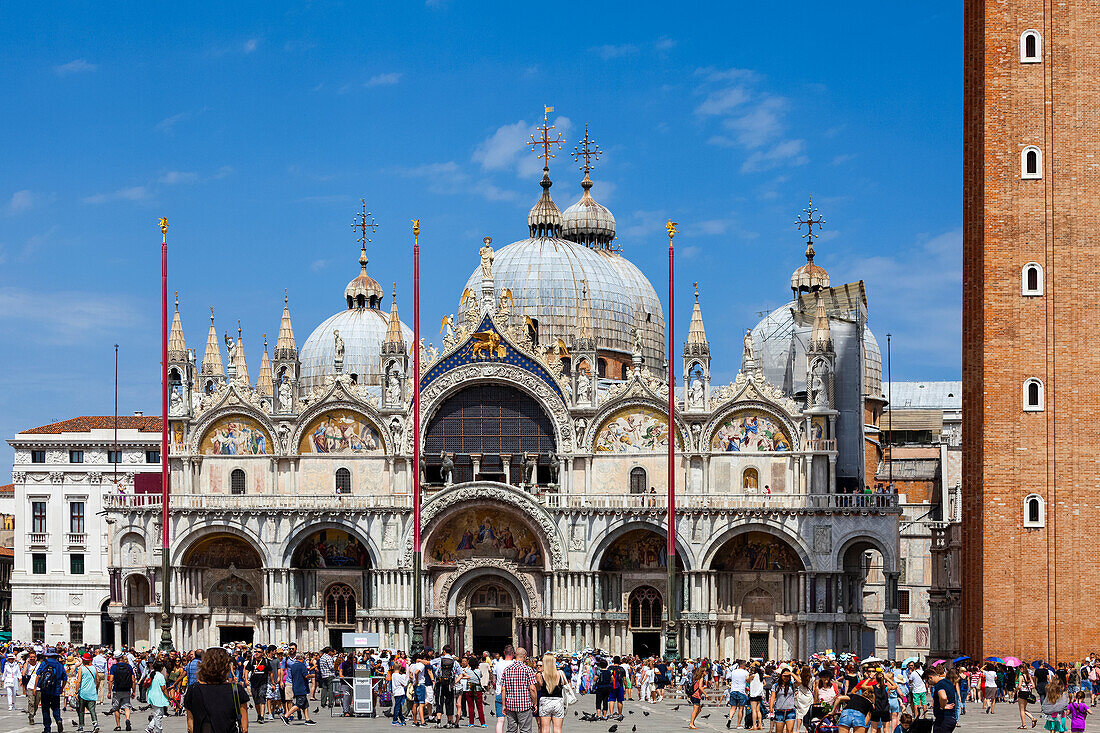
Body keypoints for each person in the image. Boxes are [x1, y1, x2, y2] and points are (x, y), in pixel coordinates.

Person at [183, 647, 250, 733]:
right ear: (226, 666)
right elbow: (244, 729)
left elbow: (190, 727)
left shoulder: (193, 689)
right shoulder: (236, 689)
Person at [499, 648, 537, 733]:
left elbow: (503, 689)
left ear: (515, 655)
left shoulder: (507, 670)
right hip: (524, 705)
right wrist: (534, 703)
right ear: (524, 656)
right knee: (525, 730)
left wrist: (504, 705)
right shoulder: (527, 669)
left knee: (511, 730)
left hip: (510, 705)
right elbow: (532, 688)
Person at [36, 648, 67, 733]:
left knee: (45, 710)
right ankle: (58, 720)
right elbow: (65, 678)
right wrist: (61, 688)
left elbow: (38, 675)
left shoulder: (44, 663)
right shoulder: (60, 665)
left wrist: (37, 687)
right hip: (56, 691)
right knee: (56, 708)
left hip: (45, 690)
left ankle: (47, 728)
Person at [282, 653, 315, 725]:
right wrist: (313, 675)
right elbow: (306, 676)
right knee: (299, 704)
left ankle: (307, 719)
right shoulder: (302, 665)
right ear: (302, 659)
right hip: (301, 687)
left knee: (305, 704)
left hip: (295, 686)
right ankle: (286, 716)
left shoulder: (293, 666)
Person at [535, 653, 565, 733]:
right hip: (558, 701)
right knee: (558, 729)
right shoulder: (560, 673)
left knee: (545, 729)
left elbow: (538, 688)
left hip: (545, 701)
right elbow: (564, 684)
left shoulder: (540, 675)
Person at [109, 649, 137, 731]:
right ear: (122, 656)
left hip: (117, 690)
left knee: (116, 708)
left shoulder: (113, 667)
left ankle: (118, 726)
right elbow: (133, 680)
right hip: (127, 689)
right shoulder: (129, 666)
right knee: (126, 705)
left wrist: (109, 692)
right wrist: (134, 691)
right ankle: (127, 719)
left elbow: (111, 680)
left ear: (115, 658)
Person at [492, 646, 516, 733]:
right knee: (513, 721)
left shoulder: (498, 664)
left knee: (500, 720)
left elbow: (494, 678)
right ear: (513, 654)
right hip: (512, 694)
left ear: (504, 653)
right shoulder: (514, 664)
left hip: (499, 693)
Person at [75, 653, 101, 733]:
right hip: (92, 692)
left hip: (83, 692)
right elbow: (98, 680)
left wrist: (76, 692)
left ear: (83, 660)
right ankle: (95, 724)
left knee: (81, 710)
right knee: (92, 709)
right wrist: (96, 689)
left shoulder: (81, 669)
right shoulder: (94, 668)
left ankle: (81, 726)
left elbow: (78, 681)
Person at [928, 666, 957, 733]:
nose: (929, 684)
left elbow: (943, 697)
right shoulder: (948, 682)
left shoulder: (939, 684)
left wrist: (943, 706)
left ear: (930, 677)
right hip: (951, 717)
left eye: (928, 681)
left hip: (943, 719)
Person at [771, 666, 799, 733]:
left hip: (790, 710)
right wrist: (771, 707)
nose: (786, 678)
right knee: (779, 731)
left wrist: (791, 674)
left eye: (787, 676)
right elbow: (772, 697)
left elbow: (799, 681)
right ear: (781, 676)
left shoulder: (791, 685)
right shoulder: (776, 685)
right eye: (784, 676)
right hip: (779, 710)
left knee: (790, 731)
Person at [145, 660, 169, 733]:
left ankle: (150, 727)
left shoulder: (151, 674)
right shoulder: (160, 676)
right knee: (158, 715)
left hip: (151, 696)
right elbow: (163, 689)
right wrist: (169, 698)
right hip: (158, 697)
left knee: (158, 714)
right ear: (161, 668)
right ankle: (158, 730)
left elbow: (146, 683)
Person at [727, 661, 750, 728]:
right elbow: (748, 680)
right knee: (741, 708)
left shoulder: (734, 672)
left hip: (733, 690)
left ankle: (730, 718)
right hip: (741, 691)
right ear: (743, 665)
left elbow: (730, 678)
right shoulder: (746, 672)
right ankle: (738, 724)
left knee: (733, 707)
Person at [391, 661, 409, 726]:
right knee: (398, 706)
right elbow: (405, 684)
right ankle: (395, 719)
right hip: (399, 692)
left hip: (395, 692)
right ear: (400, 667)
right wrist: (406, 677)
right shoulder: (399, 676)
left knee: (399, 706)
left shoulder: (393, 675)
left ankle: (402, 719)